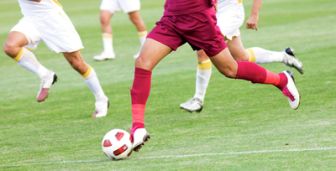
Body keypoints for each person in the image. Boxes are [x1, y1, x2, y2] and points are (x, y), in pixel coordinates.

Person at [129, 0, 300, 152]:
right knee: (143, 62)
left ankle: (281, 80)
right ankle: (138, 128)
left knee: (230, 69)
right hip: (172, 16)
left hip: (200, 19)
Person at [180, 0, 303, 112]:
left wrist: (254, 14)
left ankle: (198, 100)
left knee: (203, 50)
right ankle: (284, 56)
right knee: (242, 57)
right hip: (211, 12)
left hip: (230, 12)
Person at [3, 0, 109, 118]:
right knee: (10, 47)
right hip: (31, 19)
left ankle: (101, 99)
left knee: (77, 63)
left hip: (53, 20)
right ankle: (46, 75)